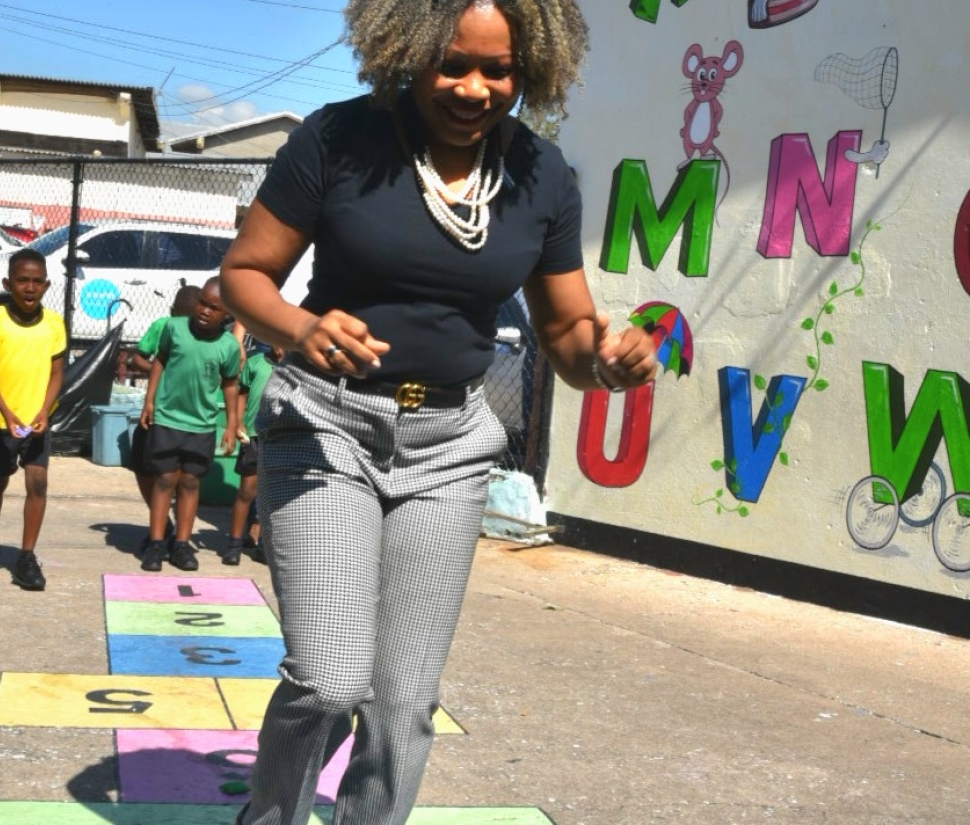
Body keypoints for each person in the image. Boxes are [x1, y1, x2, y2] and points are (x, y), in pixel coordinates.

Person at [218, 1, 659, 823]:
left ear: (532, 68)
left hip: (450, 443)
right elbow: (242, 275)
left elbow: (566, 332)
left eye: (499, 70)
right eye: (453, 63)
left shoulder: (541, 175)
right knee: (330, 680)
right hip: (327, 424)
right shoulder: (339, 139)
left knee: (402, 704)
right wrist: (302, 327)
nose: (474, 87)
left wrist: (605, 359)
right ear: (408, 51)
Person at [0, 248, 67, 591]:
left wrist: (44, 410)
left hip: (38, 421)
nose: (30, 287)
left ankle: (26, 556)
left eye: (37, 281)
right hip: (1, 421)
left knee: (37, 484)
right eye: (22, 280)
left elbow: (58, 373)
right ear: (8, 283)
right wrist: (7, 412)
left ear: (46, 285)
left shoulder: (54, 323)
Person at [137, 276, 241, 573]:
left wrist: (232, 425)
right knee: (165, 479)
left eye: (214, 307)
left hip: (202, 425)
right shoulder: (174, 329)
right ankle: (157, 543)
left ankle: (181, 545)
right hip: (168, 418)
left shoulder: (228, 346)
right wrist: (150, 400)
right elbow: (160, 361)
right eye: (202, 303)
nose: (205, 311)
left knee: (190, 482)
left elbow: (231, 384)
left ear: (227, 315)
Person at [128, 284, 203, 525]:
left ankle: (176, 529)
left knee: (181, 475)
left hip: (186, 415)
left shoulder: (205, 335)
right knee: (142, 463)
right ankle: (163, 525)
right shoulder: (162, 326)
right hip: (156, 409)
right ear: (171, 313)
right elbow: (138, 357)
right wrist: (159, 373)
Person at [225, 342, 283, 565]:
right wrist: (238, 423)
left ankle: (263, 546)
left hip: (280, 438)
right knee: (247, 490)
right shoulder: (256, 363)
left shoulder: (295, 369)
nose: (282, 349)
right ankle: (234, 543)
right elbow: (242, 394)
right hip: (255, 437)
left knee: (273, 495)